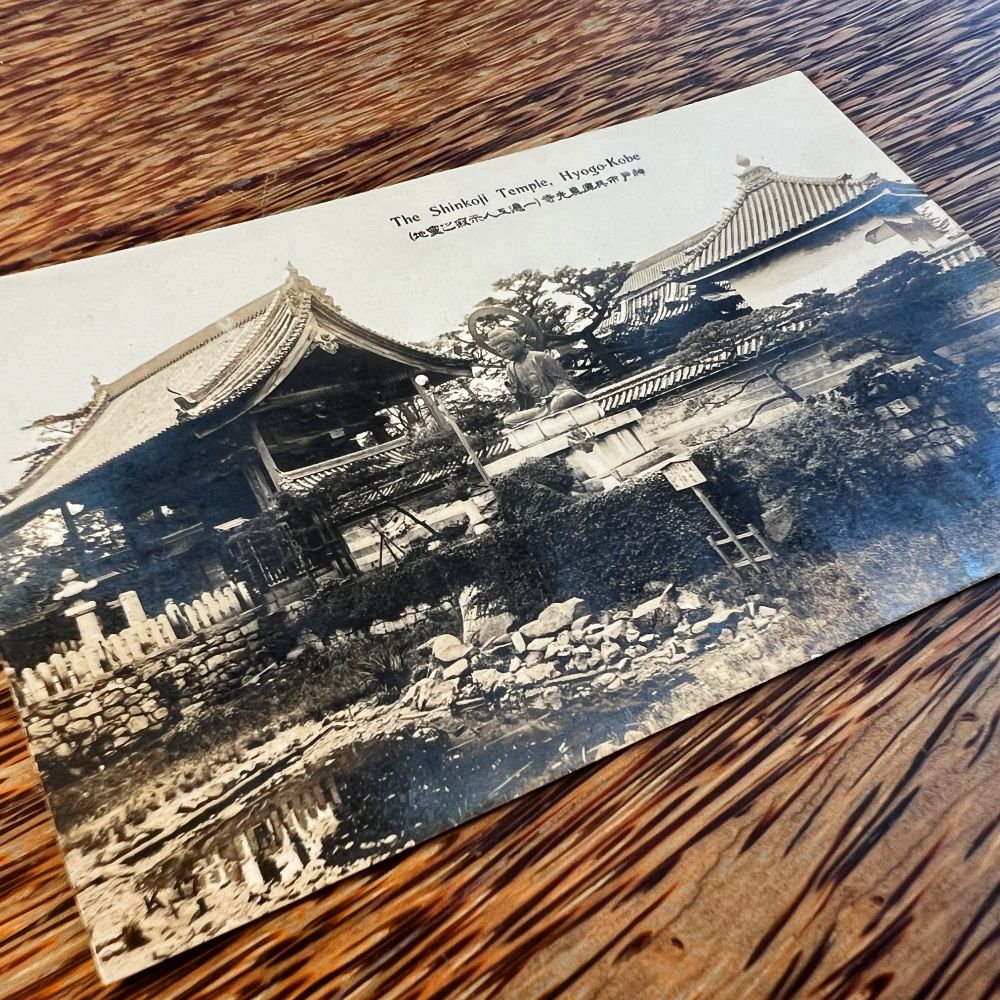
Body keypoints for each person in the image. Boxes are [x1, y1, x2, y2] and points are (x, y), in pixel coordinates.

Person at [486, 326, 586, 427]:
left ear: (517, 341)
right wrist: (516, 393)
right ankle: (548, 415)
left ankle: (549, 414)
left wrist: (551, 396)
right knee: (508, 421)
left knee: (566, 398)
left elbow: (565, 380)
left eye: (505, 348)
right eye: (499, 351)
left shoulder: (540, 357)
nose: (504, 353)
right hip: (539, 408)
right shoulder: (511, 369)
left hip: (556, 398)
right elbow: (526, 400)